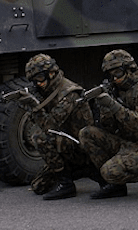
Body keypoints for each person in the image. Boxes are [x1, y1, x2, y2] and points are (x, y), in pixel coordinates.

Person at [79, 50, 138, 199]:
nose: (115, 79)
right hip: (127, 142)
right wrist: (104, 108)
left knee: (109, 171)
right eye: (111, 75)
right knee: (87, 134)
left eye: (118, 74)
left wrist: (113, 105)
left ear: (130, 70)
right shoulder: (119, 90)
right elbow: (109, 127)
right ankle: (116, 186)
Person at [24, 54, 95, 200]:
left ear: (51, 73)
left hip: (82, 147)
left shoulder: (69, 93)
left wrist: (35, 106)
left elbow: (50, 126)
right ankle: (76, 171)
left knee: (39, 138)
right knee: (39, 186)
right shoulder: (48, 90)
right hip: (65, 143)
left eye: (40, 79)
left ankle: (68, 183)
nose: (38, 84)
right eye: (34, 81)